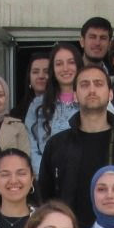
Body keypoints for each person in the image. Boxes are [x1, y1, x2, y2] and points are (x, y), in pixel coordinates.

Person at [36, 64, 114, 228]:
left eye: (98, 84)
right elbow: (45, 199)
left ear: (110, 93)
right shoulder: (57, 144)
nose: (92, 90)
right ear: (75, 96)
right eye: (84, 84)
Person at [25, 40, 81, 171]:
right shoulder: (37, 104)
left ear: (79, 65)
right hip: (46, 176)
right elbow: (30, 145)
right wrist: (45, 174)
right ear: (52, 70)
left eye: (71, 62)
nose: (65, 68)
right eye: (59, 64)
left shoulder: (92, 100)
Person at [13, 52, 50, 121]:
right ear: (29, 77)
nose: (41, 76)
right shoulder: (17, 113)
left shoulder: (63, 107)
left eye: (46, 72)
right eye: (35, 72)